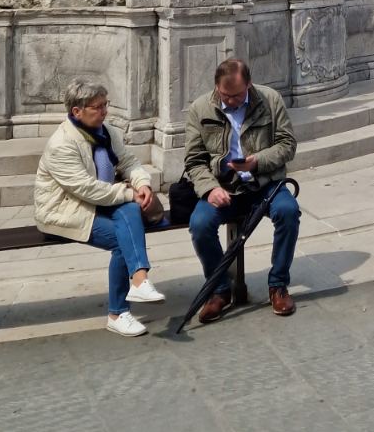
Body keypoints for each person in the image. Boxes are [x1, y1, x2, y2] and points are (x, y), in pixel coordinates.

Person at [34, 79, 161, 338]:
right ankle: (117, 314)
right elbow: (86, 189)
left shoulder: (106, 132)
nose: (104, 111)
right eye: (98, 107)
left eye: (105, 104)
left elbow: (128, 161)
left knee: (131, 211)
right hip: (65, 212)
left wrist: (142, 183)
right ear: (77, 111)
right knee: (122, 240)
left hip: (100, 203)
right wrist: (130, 193)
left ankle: (139, 280)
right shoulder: (62, 144)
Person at [184, 58, 300, 321]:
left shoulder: (270, 100)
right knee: (200, 224)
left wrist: (257, 161)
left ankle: (278, 285)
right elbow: (194, 161)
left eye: (236, 95)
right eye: (224, 95)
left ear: (248, 84)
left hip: (264, 184)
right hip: (223, 186)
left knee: (288, 212)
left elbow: (287, 145)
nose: (230, 101)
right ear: (216, 86)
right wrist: (210, 189)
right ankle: (219, 290)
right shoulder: (200, 108)